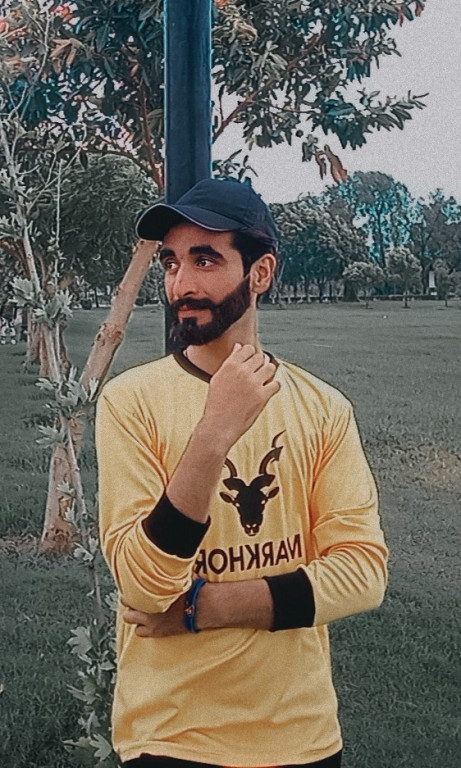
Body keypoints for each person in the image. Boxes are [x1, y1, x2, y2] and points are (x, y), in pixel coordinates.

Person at [95, 178, 388, 768]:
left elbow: (363, 573)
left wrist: (203, 608)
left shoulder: (324, 409)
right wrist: (214, 433)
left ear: (261, 273)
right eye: (172, 263)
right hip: (171, 736)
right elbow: (144, 588)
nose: (181, 283)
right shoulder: (131, 402)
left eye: (205, 260)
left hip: (301, 736)